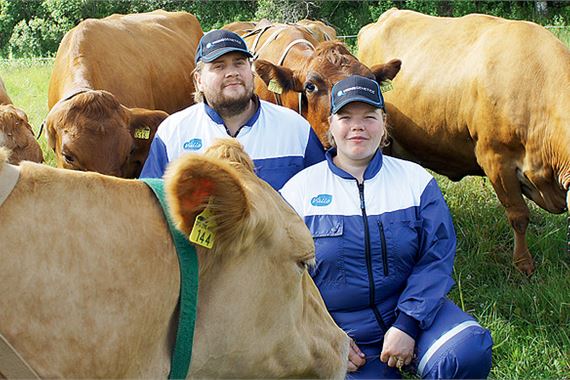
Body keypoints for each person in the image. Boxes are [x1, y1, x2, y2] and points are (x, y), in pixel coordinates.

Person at [280, 75, 493, 379]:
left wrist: (408, 323)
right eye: (346, 117)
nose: (358, 126)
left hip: (415, 314)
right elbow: (285, 277)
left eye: (369, 117)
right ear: (329, 125)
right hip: (340, 328)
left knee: (466, 352)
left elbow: (437, 256)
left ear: (384, 126)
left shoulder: (415, 181)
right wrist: (321, 333)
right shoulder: (298, 192)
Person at [140, 29, 325, 190]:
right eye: (219, 66)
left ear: (251, 71)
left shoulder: (295, 128)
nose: (232, 73)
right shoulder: (173, 132)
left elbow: (324, 191)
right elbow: (151, 203)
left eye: (239, 63)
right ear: (198, 80)